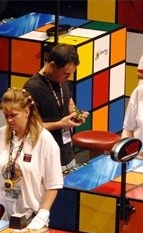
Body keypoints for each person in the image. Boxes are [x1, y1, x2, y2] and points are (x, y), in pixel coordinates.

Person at [0, 88, 64, 230]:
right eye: (6, 115)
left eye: (13, 115)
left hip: (30, 219)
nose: (9, 120)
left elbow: (53, 184)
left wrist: (43, 213)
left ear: (26, 112)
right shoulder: (0, 135)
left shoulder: (45, 140)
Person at [24, 43, 89, 171]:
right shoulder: (32, 88)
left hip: (67, 154)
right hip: (46, 158)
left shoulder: (61, 80)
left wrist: (76, 113)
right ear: (53, 66)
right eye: (66, 73)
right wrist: (60, 124)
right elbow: (28, 127)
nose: (68, 77)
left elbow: (68, 101)